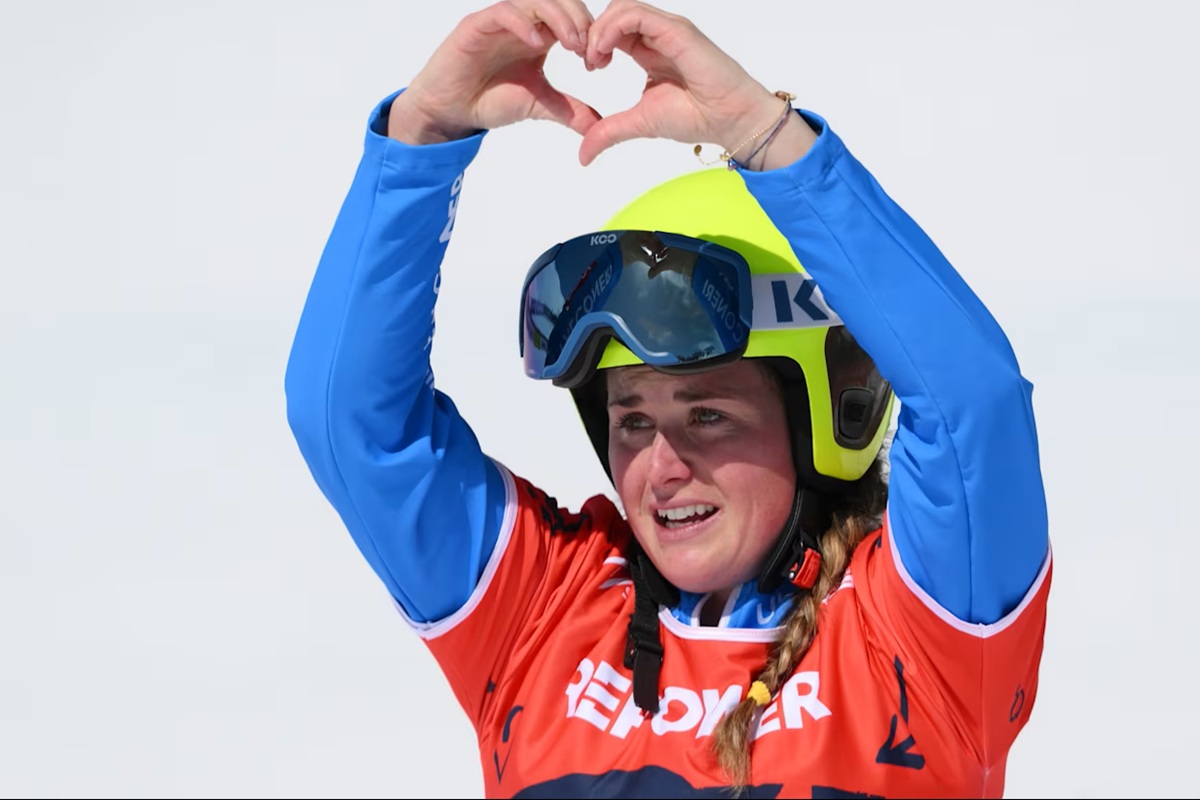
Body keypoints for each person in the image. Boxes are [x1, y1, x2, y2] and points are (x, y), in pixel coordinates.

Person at [284, 0, 1051, 797]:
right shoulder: (546, 611)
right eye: (632, 419)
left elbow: (974, 405)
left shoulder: (920, 631)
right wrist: (422, 139)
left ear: (832, 408)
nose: (660, 466)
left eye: (708, 415)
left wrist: (767, 138)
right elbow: (351, 423)